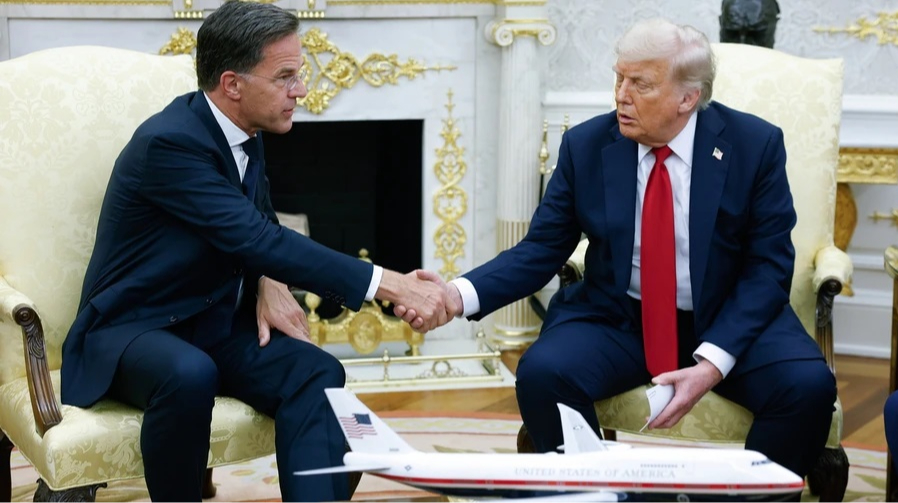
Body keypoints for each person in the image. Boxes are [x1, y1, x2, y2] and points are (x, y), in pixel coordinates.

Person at [398, 18, 836, 483]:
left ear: (688, 98)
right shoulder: (586, 146)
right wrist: (456, 295)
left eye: (640, 84)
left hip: (730, 317)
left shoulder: (754, 146)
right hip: (620, 317)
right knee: (543, 373)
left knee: (807, 387)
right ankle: (591, 492)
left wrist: (712, 364)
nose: (621, 96)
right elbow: (541, 248)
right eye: (619, 78)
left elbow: (768, 267)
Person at [59, 2, 454, 501]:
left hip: (211, 321)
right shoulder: (170, 145)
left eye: (298, 74)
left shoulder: (245, 130)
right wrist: (391, 285)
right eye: (285, 77)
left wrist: (269, 278)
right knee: (189, 373)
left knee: (318, 371)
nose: (301, 90)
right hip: (134, 329)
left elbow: (255, 223)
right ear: (233, 84)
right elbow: (258, 238)